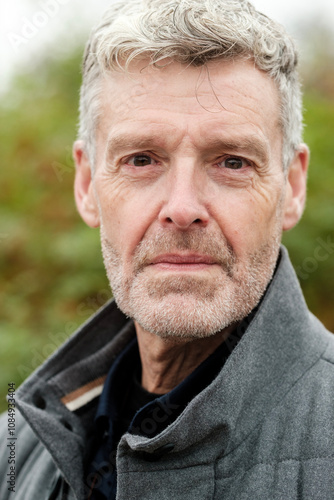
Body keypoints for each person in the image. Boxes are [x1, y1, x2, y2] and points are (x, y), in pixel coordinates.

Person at [1, 0, 334, 498]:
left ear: (292, 186)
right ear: (87, 184)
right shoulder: (18, 451)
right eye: (141, 159)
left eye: (232, 162)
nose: (182, 208)